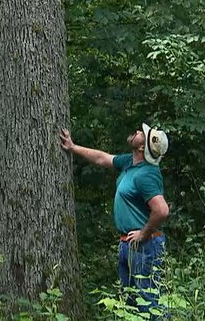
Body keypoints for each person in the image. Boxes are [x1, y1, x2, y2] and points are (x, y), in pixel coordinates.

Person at [60, 123, 170, 318]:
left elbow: (161, 210)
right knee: (130, 304)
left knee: (149, 304)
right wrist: (73, 147)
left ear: (142, 147)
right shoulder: (130, 163)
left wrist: (143, 234)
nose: (136, 131)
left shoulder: (147, 174)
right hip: (129, 244)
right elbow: (103, 158)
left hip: (145, 247)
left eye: (141, 134)